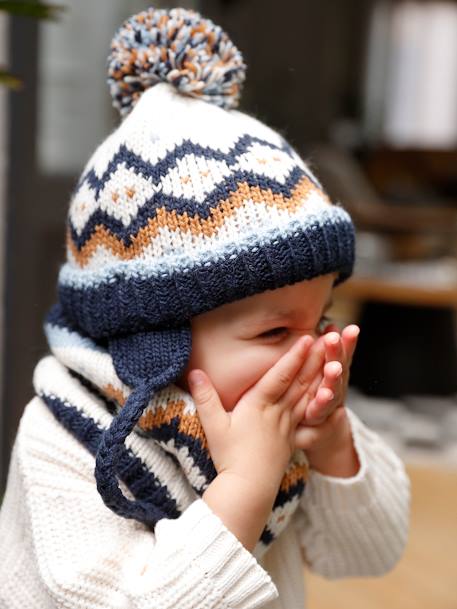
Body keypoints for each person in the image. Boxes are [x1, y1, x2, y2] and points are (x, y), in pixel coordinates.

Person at [0, 7, 410, 609]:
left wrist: (334, 449)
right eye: (274, 331)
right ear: (151, 341)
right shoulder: (67, 439)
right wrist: (243, 488)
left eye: (321, 320)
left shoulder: (279, 418)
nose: (313, 352)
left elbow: (369, 554)